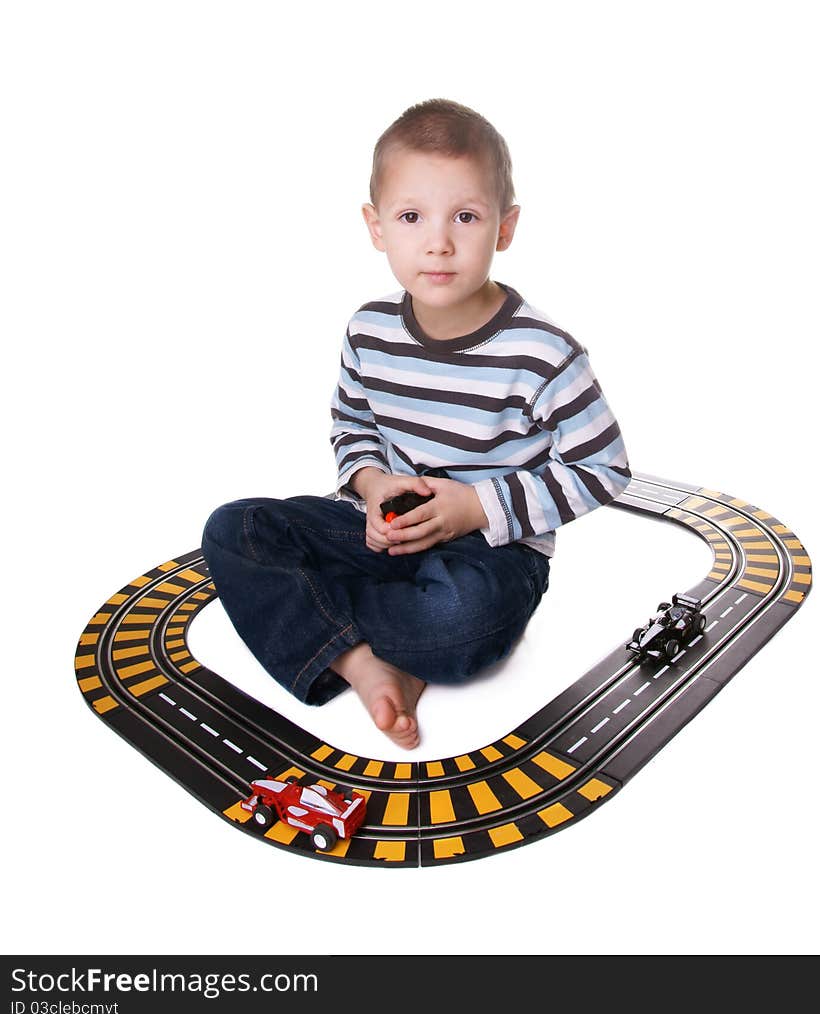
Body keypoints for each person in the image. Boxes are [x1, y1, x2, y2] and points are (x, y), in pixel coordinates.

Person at [201, 98, 631, 750]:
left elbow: (604, 469)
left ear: (504, 228)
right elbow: (352, 424)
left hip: (492, 555)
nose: (438, 241)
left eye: (466, 216)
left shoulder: (543, 352)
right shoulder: (369, 330)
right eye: (411, 217)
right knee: (234, 530)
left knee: (465, 623)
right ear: (376, 227)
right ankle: (364, 660)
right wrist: (371, 486)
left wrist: (479, 508)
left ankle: (325, 623)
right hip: (384, 532)